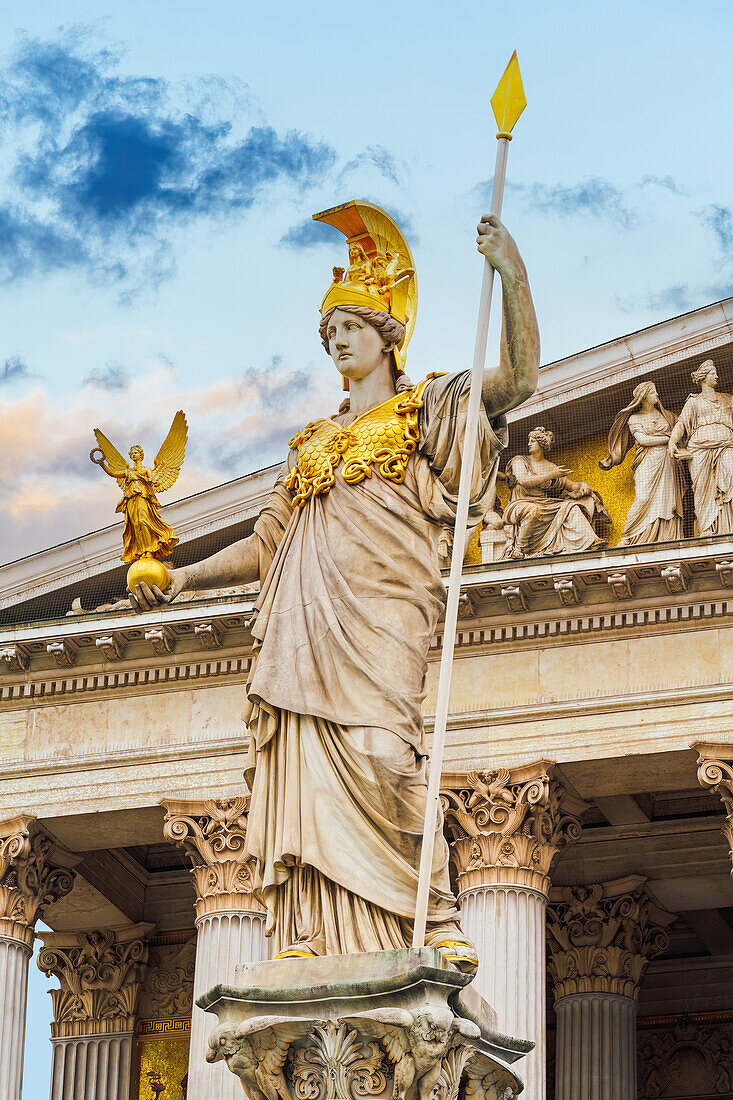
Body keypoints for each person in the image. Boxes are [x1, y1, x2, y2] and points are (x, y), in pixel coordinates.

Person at [129, 201, 539, 967]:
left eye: (349, 326)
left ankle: (436, 918)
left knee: (386, 758)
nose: (336, 342)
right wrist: (181, 578)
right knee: (309, 778)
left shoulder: (428, 410)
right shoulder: (312, 443)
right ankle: (312, 937)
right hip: (303, 632)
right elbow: (265, 544)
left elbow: (516, 381)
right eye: (329, 333)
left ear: (387, 334)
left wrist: (510, 275)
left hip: (382, 612)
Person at [600, 381, 685, 545]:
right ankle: (628, 536)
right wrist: (668, 439)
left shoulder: (666, 416)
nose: (657, 395)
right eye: (653, 392)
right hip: (648, 461)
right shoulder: (634, 418)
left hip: (668, 462)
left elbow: (683, 427)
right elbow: (642, 439)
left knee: (668, 500)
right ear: (644, 396)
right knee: (643, 497)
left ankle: (667, 536)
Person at [502, 427, 605, 558]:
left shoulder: (551, 467)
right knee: (533, 510)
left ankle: (591, 540)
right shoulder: (520, 460)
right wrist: (551, 475)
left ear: (542, 444)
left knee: (572, 507)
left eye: (533, 441)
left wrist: (583, 485)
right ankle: (519, 549)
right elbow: (524, 480)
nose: (529, 444)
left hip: (546, 504)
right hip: (520, 504)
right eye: (529, 440)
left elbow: (571, 485)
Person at [668, 359, 733, 537]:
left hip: (727, 445)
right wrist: (672, 441)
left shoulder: (728, 399)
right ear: (704, 377)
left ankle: (729, 526)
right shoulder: (693, 402)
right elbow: (681, 423)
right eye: (713, 373)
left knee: (731, 479)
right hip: (700, 450)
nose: (717, 376)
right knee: (703, 488)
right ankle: (706, 529)